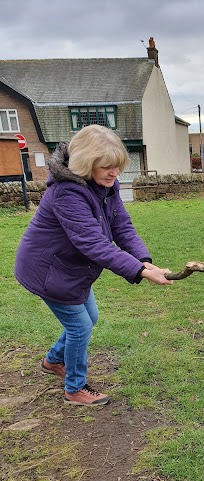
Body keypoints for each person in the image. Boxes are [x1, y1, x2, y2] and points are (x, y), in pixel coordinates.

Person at [14, 124, 173, 407]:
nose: (114, 173)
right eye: (106, 167)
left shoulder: (106, 187)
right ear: (86, 164)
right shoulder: (66, 194)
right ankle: (75, 388)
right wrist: (140, 271)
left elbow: (122, 226)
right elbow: (94, 244)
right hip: (48, 271)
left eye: (117, 166)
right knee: (80, 327)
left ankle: (53, 361)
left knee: (91, 318)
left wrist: (145, 260)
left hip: (69, 269)